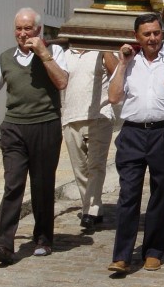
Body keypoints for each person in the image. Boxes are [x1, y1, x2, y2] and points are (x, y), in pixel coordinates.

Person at [0, 8, 69, 264]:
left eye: (28, 28)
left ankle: (43, 238)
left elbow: (62, 82)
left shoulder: (55, 53)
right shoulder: (5, 58)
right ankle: (5, 243)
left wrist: (43, 54)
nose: (22, 34)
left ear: (38, 30)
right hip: (14, 128)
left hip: (45, 125)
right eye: (18, 29)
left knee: (42, 185)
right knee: (13, 184)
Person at [107, 13, 164, 274]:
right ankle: (122, 255)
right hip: (133, 134)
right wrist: (123, 64)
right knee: (128, 195)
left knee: (160, 193)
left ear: (162, 34)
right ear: (137, 36)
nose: (152, 38)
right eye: (146, 34)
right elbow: (114, 97)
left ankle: (153, 251)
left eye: (156, 33)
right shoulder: (128, 62)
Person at [62, 49, 117, 230]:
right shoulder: (66, 54)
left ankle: (89, 211)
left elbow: (116, 71)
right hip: (71, 117)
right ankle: (94, 206)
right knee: (80, 169)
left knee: (96, 165)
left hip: (99, 116)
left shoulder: (102, 52)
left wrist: (104, 48)